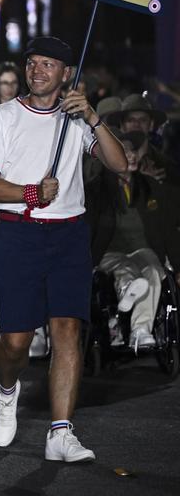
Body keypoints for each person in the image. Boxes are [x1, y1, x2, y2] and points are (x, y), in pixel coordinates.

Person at [0, 36, 128, 462]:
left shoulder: (76, 120)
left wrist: (93, 116)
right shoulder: (3, 116)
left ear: (65, 74)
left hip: (69, 235)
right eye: (32, 63)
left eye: (48, 65)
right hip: (19, 234)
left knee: (67, 331)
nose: (37, 71)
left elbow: (120, 164)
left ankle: (61, 432)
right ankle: (7, 388)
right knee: (16, 342)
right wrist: (30, 193)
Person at [86, 130, 179, 349]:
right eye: (124, 151)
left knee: (154, 271)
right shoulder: (96, 190)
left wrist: (177, 265)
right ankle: (127, 289)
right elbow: (87, 228)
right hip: (109, 252)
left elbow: (167, 230)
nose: (132, 155)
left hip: (143, 249)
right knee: (124, 268)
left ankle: (140, 329)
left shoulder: (150, 187)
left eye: (133, 150)